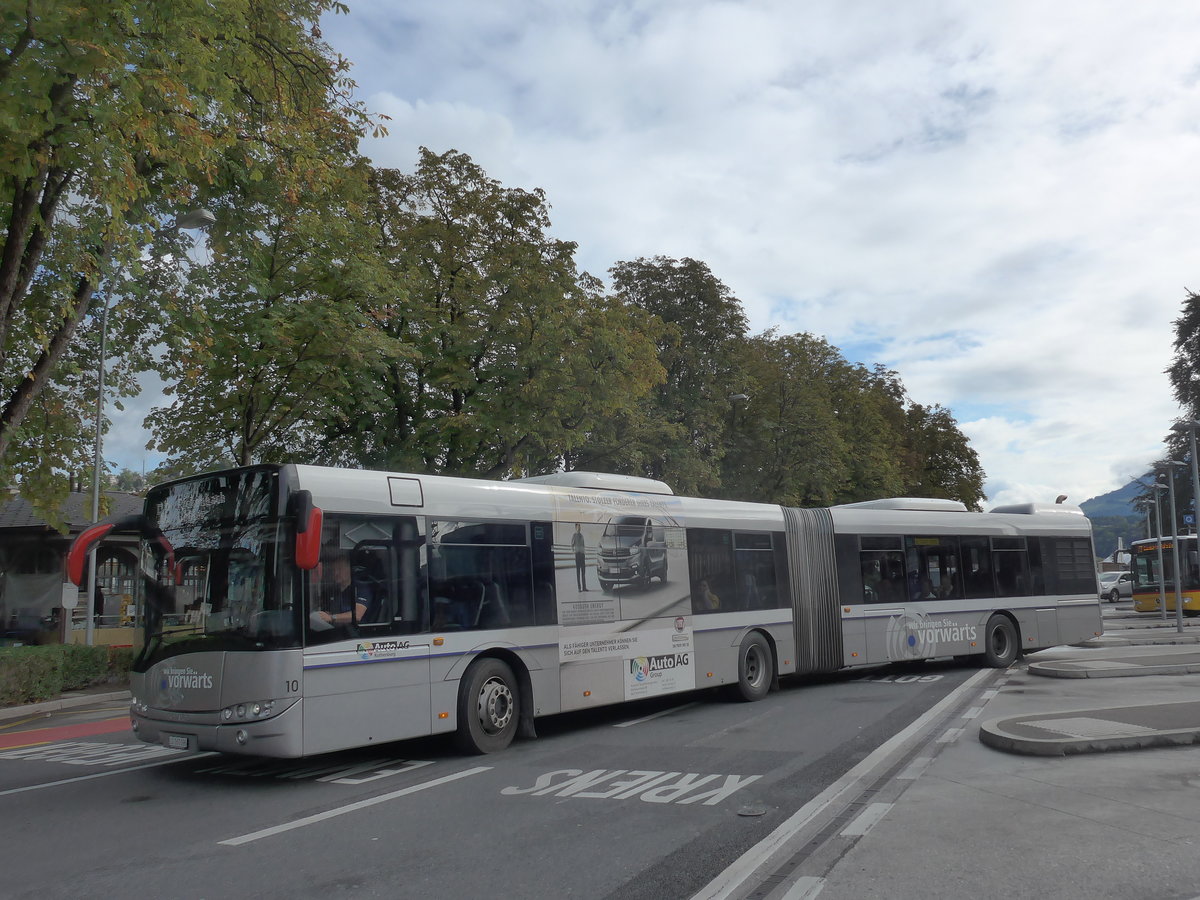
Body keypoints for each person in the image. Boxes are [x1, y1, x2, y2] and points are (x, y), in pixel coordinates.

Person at [318, 553, 371, 626]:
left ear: (350, 569)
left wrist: (331, 617)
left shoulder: (361, 588)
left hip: (356, 633)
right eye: (334, 570)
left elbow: (358, 615)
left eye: (339, 569)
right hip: (337, 630)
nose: (335, 573)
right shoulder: (333, 590)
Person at [571, 523, 589, 591]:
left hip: (582, 555)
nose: (579, 528)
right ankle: (579, 588)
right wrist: (574, 551)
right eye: (578, 527)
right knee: (578, 572)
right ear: (575, 528)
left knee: (583, 572)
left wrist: (584, 553)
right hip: (577, 554)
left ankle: (584, 587)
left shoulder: (582, 536)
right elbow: (572, 544)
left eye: (580, 527)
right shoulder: (574, 535)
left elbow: (583, 545)